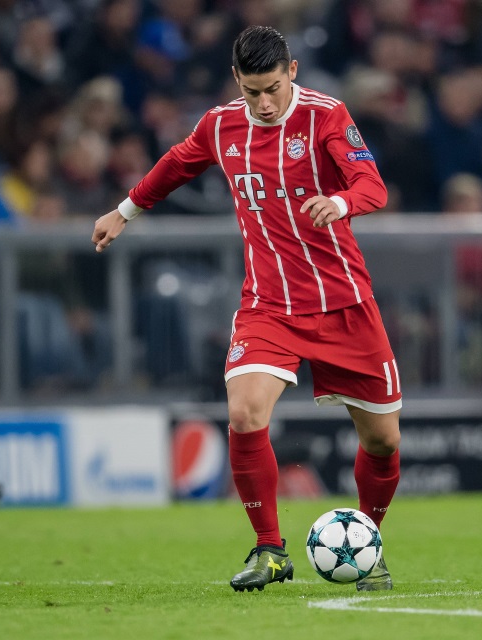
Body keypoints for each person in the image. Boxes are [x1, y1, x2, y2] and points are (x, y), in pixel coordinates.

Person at [92, 26, 401, 592]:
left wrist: (339, 200)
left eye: (274, 88)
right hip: (269, 305)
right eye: (253, 90)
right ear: (237, 80)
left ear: (294, 72)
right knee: (244, 413)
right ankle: (269, 549)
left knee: (382, 441)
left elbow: (372, 184)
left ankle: (367, 543)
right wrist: (124, 212)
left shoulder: (327, 116)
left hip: (344, 304)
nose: (264, 103)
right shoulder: (220, 125)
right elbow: (176, 164)